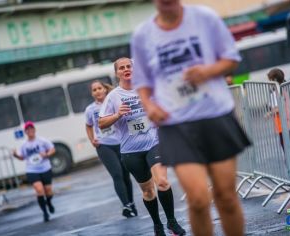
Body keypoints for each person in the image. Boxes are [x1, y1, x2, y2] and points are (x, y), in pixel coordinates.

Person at [130, 1, 251, 236]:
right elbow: (142, 83)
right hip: (175, 124)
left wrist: (206, 71)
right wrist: (149, 105)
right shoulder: (142, 35)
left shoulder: (204, 18)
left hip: (214, 115)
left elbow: (231, 58)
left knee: (225, 195)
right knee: (198, 199)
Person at [98, 57, 185, 236]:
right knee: (147, 191)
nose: (126, 69)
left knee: (162, 181)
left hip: (154, 143)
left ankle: (172, 222)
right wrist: (117, 115)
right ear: (117, 73)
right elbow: (101, 123)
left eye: (129, 66)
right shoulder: (113, 96)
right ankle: (157, 225)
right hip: (131, 152)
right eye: (121, 68)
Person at [85, 80, 136, 218]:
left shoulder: (114, 103)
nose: (97, 91)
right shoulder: (90, 109)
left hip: (122, 143)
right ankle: (125, 205)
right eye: (94, 90)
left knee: (126, 175)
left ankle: (131, 203)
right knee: (117, 174)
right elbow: (88, 125)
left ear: (105, 90)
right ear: (92, 93)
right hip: (104, 145)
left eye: (99, 88)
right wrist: (92, 140)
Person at [13, 121, 56, 222]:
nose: (30, 131)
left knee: (48, 191)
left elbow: (52, 149)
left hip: (45, 168)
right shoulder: (24, 145)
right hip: (31, 170)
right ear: (25, 132)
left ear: (34, 130)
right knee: (39, 190)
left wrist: (47, 154)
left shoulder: (42, 141)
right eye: (27, 130)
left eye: (31, 129)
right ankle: (45, 213)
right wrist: (15, 154)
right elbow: (22, 157)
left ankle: (49, 202)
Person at [267, 68, 285, 151]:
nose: (269, 83)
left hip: (285, 124)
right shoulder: (273, 93)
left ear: (275, 80)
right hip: (280, 125)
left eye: (270, 80)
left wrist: (270, 113)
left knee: (288, 146)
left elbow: (279, 108)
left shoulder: (281, 91)